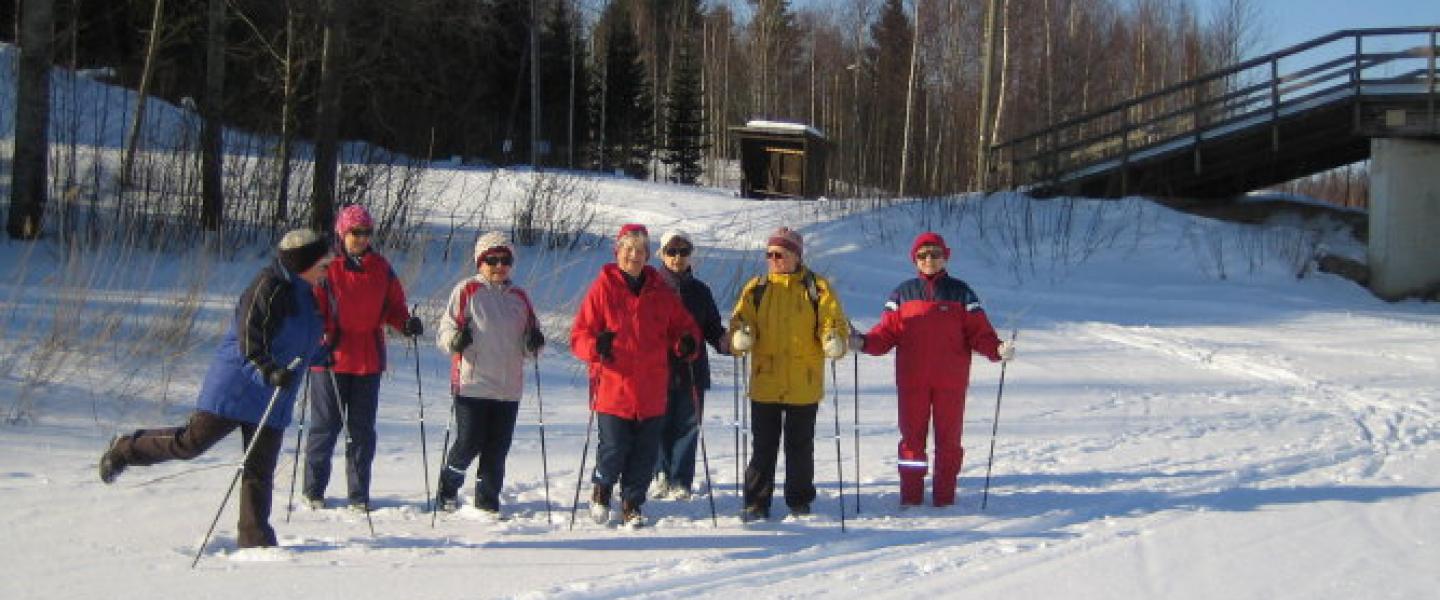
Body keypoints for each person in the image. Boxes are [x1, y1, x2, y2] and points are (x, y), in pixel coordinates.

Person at [97, 229, 331, 548]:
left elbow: (304, 341)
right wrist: (267, 371)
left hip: (275, 395)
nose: (327, 268)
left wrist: (327, 355)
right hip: (237, 386)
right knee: (191, 443)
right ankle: (126, 447)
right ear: (304, 262)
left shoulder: (311, 294)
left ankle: (255, 540)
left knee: (259, 469)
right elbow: (250, 338)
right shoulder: (268, 286)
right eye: (322, 263)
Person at [852, 232, 1015, 508]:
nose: (929, 260)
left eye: (935, 254)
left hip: (950, 381)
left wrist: (997, 350)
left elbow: (979, 333)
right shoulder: (902, 293)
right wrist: (863, 342)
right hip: (912, 380)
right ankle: (911, 497)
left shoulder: (962, 293)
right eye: (922, 255)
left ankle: (944, 496)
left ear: (945, 257)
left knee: (949, 441)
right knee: (912, 440)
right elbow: (886, 334)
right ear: (914, 259)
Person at [571, 224, 700, 527]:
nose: (633, 255)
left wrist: (686, 342)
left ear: (646, 255)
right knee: (614, 449)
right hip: (613, 387)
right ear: (618, 252)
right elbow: (579, 335)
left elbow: (683, 326)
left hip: (653, 388)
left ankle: (632, 502)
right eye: (628, 249)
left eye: (639, 250)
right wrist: (595, 346)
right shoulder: (603, 288)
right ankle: (601, 491)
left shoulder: (660, 290)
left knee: (644, 454)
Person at [303, 204, 423, 512]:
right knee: (325, 426)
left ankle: (359, 495)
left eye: (366, 232)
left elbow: (394, 306)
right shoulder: (327, 268)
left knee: (362, 430)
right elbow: (312, 306)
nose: (361, 238)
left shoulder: (381, 268)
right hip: (331, 355)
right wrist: (319, 334)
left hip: (368, 357)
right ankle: (313, 490)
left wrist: (405, 323)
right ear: (341, 233)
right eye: (355, 232)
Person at [728, 226, 851, 521]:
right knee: (763, 447)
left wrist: (833, 339)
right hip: (765, 380)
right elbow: (741, 319)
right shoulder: (756, 288)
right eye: (770, 254)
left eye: (780, 254)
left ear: (796, 255)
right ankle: (757, 502)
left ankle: (799, 500)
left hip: (803, 381)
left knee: (800, 446)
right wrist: (740, 336)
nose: (774, 259)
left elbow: (832, 320)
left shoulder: (817, 287)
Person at [434, 231, 545, 515]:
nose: (498, 266)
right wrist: (454, 340)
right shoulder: (467, 290)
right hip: (473, 384)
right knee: (469, 442)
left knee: (497, 448)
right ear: (480, 262)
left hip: (508, 388)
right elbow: (445, 329)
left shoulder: (520, 296)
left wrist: (535, 343)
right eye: (491, 260)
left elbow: (530, 340)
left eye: (504, 260)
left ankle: (487, 500)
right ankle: (448, 488)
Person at [651, 230, 728, 501]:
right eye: (672, 252)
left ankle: (681, 479)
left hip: (692, 369)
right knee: (658, 424)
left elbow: (712, 327)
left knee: (687, 425)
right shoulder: (651, 286)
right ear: (661, 254)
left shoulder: (699, 291)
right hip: (657, 370)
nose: (677, 258)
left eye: (683, 252)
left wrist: (725, 342)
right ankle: (660, 474)